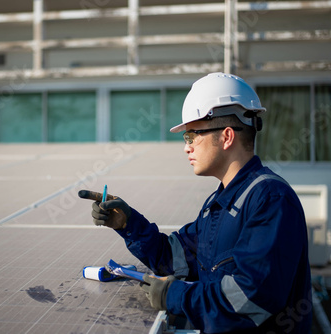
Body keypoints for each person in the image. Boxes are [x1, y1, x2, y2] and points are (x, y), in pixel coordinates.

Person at [78, 72, 312, 333]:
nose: (186, 147)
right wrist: (128, 223)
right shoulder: (219, 202)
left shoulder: (270, 200)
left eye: (192, 135)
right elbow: (174, 258)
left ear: (226, 136)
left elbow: (251, 298)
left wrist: (175, 295)